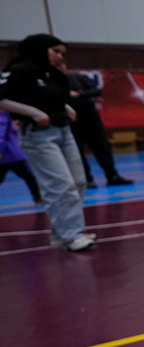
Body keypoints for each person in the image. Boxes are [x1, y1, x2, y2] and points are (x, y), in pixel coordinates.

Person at [0, 34, 96, 251]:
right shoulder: (20, 70)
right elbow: (2, 98)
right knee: (61, 185)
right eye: (56, 52)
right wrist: (34, 113)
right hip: (38, 135)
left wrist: (65, 107)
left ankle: (60, 232)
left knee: (78, 182)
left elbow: (55, 97)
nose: (60, 57)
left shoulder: (52, 73)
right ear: (41, 49)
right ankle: (73, 234)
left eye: (63, 53)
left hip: (63, 131)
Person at [56, 63, 133, 188]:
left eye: (61, 64)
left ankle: (112, 175)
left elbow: (96, 91)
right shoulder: (52, 83)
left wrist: (79, 94)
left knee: (102, 147)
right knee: (77, 150)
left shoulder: (78, 77)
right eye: (57, 65)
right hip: (73, 121)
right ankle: (87, 179)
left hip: (91, 118)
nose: (60, 67)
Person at [0, 110, 41, 203]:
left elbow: (2, 136)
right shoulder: (9, 117)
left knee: (28, 176)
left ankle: (38, 196)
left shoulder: (3, 118)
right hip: (13, 153)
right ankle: (38, 196)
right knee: (28, 176)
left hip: (9, 154)